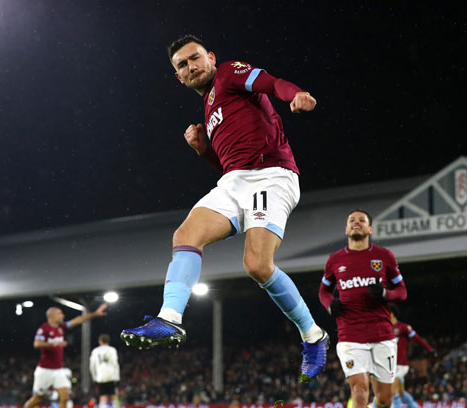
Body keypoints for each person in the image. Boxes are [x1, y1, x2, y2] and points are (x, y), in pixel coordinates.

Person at [120, 34, 327, 382]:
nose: (191, 66)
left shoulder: (229, 73)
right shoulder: (210, 106)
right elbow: (231, 165)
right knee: (186, 235)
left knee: (258, 266)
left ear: (211, 57)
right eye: (182, 65)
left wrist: (297, 94)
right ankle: (169, 319)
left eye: (195, 58)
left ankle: (313, 335)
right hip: (236, 181)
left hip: (271, 175)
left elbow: (272, 83)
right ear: (178, 77)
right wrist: (203, 149)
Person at [319, 210, 408, 408]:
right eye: (351, 220)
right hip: (350, 336)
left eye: (361, 220)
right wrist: (329, 305)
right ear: (346, 229)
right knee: (359, 390)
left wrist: (385, 294)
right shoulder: (335, 260)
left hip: (382, 335)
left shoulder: (384, 256)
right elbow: (323, 291)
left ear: (370, 229)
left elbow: (402, 292)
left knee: (385, 399)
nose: (356, 223)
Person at [24, 304, 108, 408]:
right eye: (60, 313)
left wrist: (94, 314)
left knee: (65, 397)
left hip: (59, 370)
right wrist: (53, 344)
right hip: (45, 370)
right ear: (52, 316)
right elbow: (37, 344)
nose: (63, 316)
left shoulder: (61, 327)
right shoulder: (44, 329)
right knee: (37, 399)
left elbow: (78, 320)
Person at [389, 304, 434, 408]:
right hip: (389, 366)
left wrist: (430, 349)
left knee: (393, 390)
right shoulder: (386, 329)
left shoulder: (403, 327)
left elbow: (418, 339)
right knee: (400, 392)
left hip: (401, 365)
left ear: (391, 314)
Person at [90, 334, 121, 408]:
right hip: (112, 376)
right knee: (114, 396)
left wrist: (94, 378)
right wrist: (117, 377)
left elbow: (92, 366)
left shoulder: (95, 351)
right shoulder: (112, 350)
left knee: (103, 397)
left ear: (100, 341)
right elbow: (115, 364)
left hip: (101, 377)